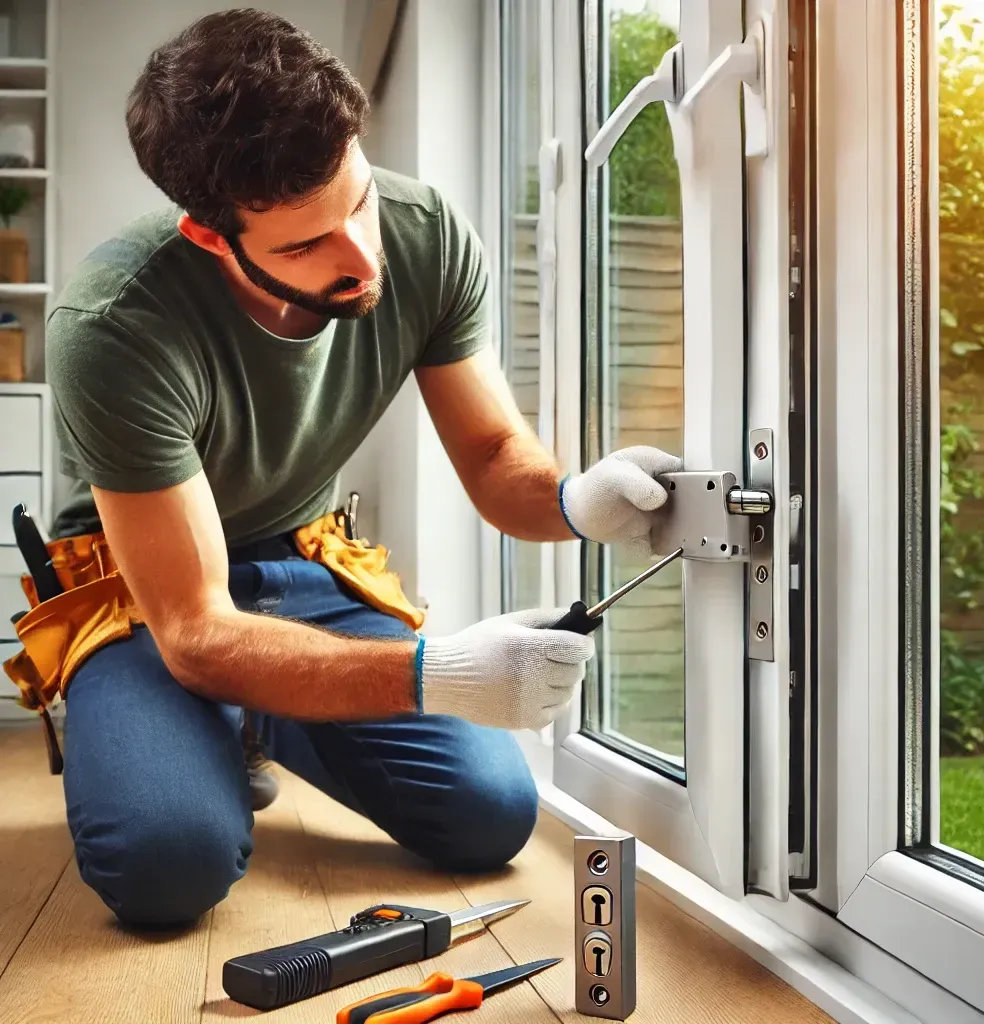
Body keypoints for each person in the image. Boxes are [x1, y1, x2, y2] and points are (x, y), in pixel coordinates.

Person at [38, 8, 682, 930]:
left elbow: (497, 455)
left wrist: (576, 499)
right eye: (304, 245)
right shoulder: (114, 328)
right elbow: (195, 630)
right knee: (164, 868)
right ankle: (204, 732)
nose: (362, 258)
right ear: (212, 237)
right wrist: (439, 672)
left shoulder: (424, 237)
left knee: (491, 815)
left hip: (304, 560)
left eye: (359, 200)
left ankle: (255, 720)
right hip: (146, 595)